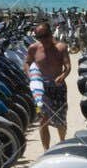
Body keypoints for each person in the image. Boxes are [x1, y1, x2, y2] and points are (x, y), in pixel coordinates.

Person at [25, 21, 71, 151]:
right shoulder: (33, 48)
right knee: (43, 119)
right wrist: (31, 76)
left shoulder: (61, 47)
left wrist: (63, 75)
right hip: (41, 89)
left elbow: (67, 66)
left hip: (58, 87)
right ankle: (46, 150)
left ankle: (62, 143)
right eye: (39, 37)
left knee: (61, 119)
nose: (43, 40)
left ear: (51, 34)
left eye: (45, 36)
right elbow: (27, 63)